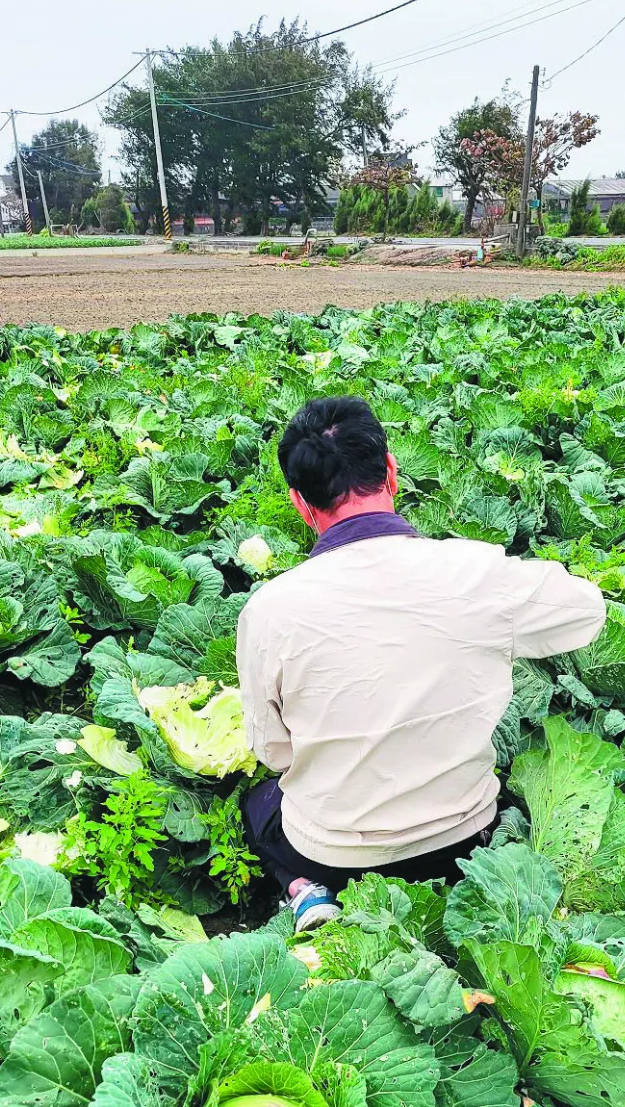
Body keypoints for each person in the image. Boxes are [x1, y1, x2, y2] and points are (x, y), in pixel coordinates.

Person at [236, 395, 605, 933]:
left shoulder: (270, 610)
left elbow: (271, 751)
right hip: (461, 844)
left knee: (260, 807)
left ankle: (306, 892)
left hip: (338, 856)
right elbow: (586, 612)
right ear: (391, 470)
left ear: (300, 502)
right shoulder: (476, 571)